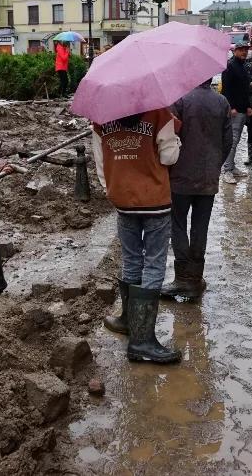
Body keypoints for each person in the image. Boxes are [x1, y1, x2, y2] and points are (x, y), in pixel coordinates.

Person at [94, 108, 183, 364]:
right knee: (154, 264)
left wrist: (111, 188)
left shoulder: (101, 118)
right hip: (154, 198)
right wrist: (176, 140)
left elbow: (100, 161)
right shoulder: (158, 113)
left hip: (122, 198)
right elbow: (168, 157)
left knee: (131, 259)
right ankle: (142, 341)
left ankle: (127, 320)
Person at [161, 80, 232, 299]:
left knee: (178, 224)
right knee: (200, 227)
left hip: (181, 177)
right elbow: (227, 141)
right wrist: (214, 165)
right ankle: (195, 277)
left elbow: (168, 138)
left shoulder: (180, 100)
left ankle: (183, 278)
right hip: (208, 178)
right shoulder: (221, 102)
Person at [220, 42, 252, 184]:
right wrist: (230, 107)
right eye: (241, 50)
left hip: (242, 109)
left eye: (246, 50)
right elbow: (226, 89)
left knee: (236, 140)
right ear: (235, 51)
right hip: (234, 111)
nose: (244, 52)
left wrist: (248, 106)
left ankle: (232, 167)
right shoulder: (230, 66)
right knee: (232, 141)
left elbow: (245, 90)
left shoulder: (244, 66)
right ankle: (226, 170)